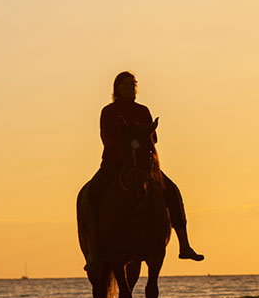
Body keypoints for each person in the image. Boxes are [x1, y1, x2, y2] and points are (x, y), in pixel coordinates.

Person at [84, 71, 205, 265]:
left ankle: (184, 244)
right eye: (126, 85)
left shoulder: (143, 110)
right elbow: (107, 138)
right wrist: (125, 153)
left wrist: (141, 145)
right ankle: (93, 247)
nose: (130, 89)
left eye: (133, 85)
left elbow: (153, 139)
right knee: (91, 193)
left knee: (173, 191)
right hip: (114, 163)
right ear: (117, 89)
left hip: (142, 165)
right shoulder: (108, 112)